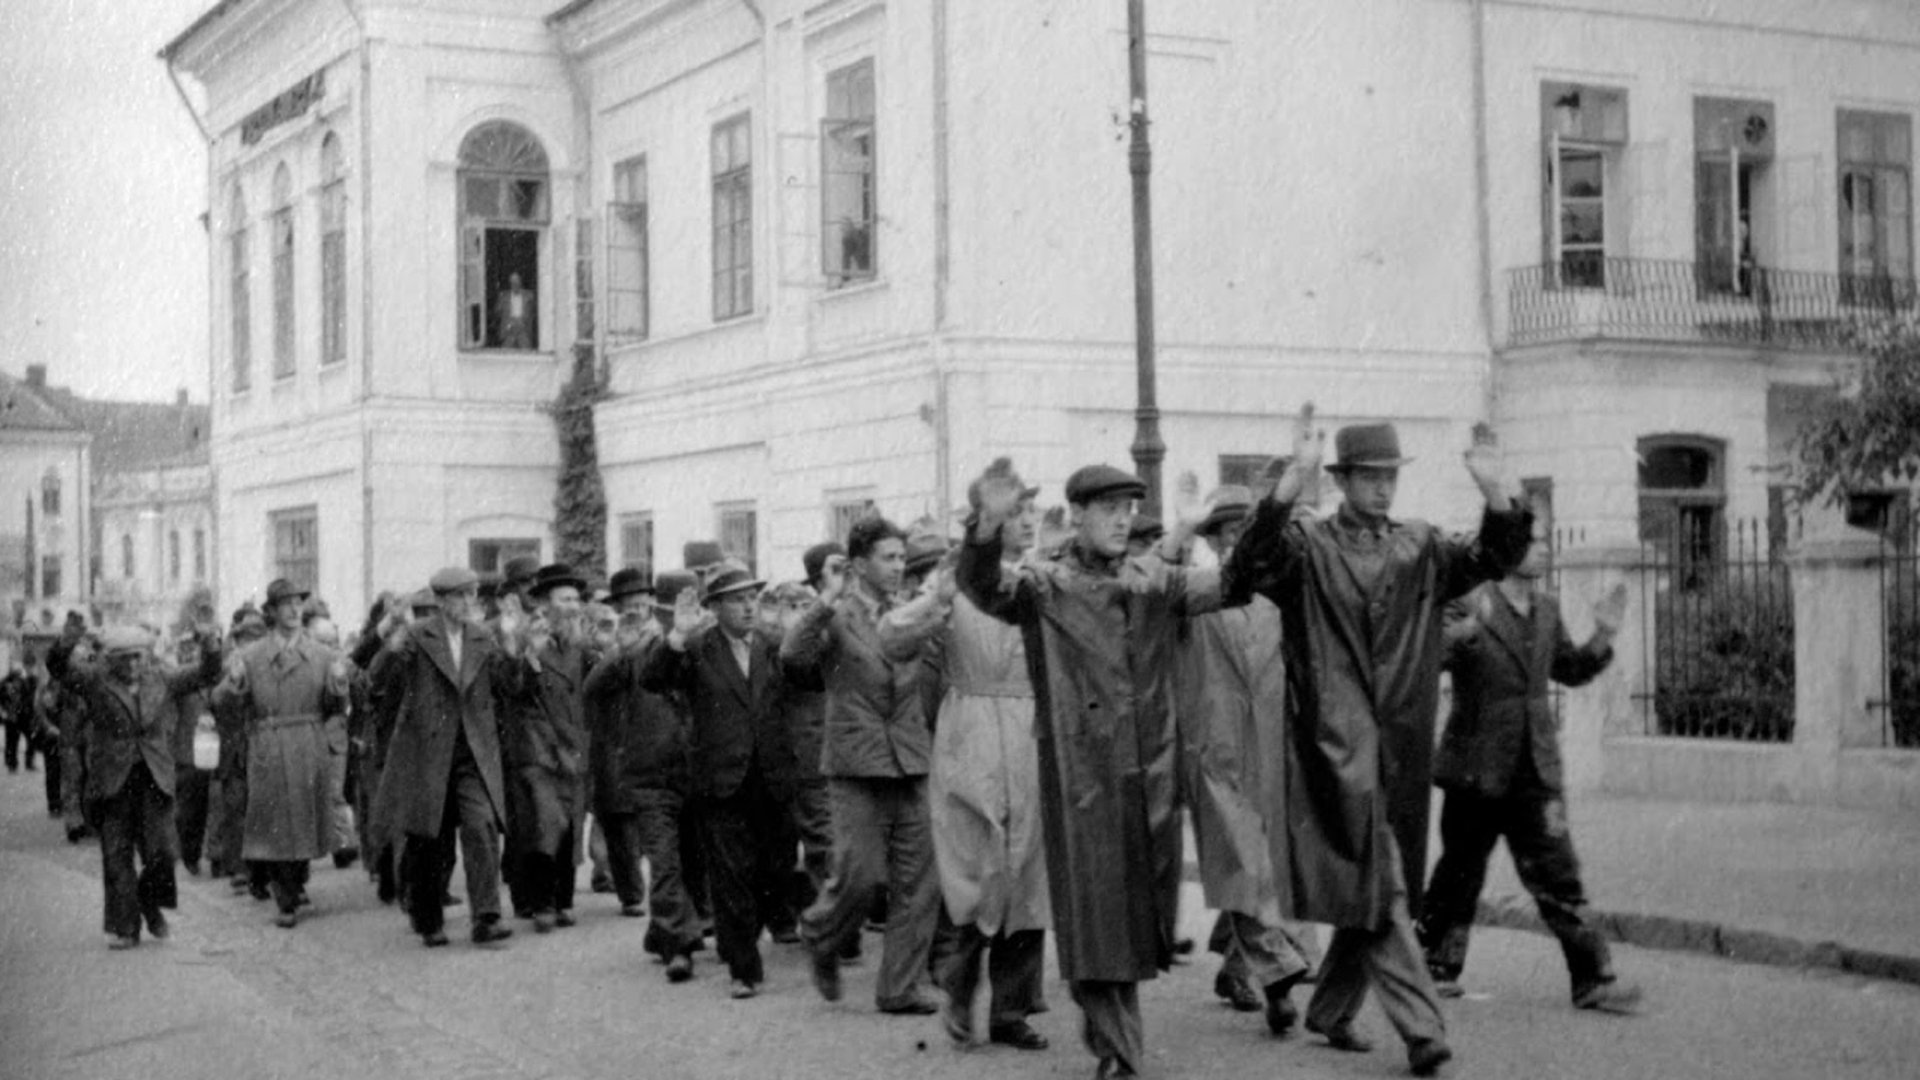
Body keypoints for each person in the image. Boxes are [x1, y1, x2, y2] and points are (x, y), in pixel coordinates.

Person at [1223, 408, 1534, 1077]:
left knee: (1377, 884)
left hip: (1400, 745)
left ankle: (1332, 1008)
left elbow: (1493, 557)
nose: (1383, 488)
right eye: (1369, 476)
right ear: (1342, 479)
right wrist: (1289, 486)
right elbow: (1249, 563)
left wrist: (1494, 489)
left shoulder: (1418, 546)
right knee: (1383, 884)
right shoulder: (1310, 548)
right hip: (1332, 746)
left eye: (1390, 476)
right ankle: (1424, 1030)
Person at [957, 457, 1270, 1079]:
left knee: (1131, 922)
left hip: (1148, 774)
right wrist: (988, 524)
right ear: (1076, 514)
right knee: (1097, 917)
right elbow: (983, 586)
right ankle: (1119, 1052)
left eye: (1130, 510)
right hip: (1081, 778)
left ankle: (1106, 1029)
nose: (1123, 521)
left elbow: (1234, 582)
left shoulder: (1153, 579)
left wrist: (1276, 505)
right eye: (1109, 509)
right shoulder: (1043, 585)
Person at [1418, 525, 1641, 1014]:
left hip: (1534, 769)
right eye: (1533, 539)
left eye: (1544, 539)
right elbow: (1432, 656)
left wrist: (1603, 633)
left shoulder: (1546, 609)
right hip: (1476, 766)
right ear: (1507, 547)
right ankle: (1434, 967)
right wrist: (1460, 634)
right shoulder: (1470, 600)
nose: (1543, 548)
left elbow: (1572, 670)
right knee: (1459, 871)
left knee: (1559, 871)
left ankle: (1593, 979)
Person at [883, 466, 1051, 1051]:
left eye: (1031, 510)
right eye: (1014, 510)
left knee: (1029, 868)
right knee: (977, 865)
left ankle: (1012, 1008)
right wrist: (936, 605)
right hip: (972, 729)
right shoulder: (954, 577)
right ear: (986, 518)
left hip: (1030, 729)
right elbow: (893, 636)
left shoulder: (1042, 578)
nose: (1027, 520)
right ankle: (957, 987)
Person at [1164, 480, 1319, 1035]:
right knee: (1241, 855)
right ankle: (1278, 977)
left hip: (1271, 741)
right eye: (1227, 531)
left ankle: (1237, 967)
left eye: (1244, 531)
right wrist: (1180, 529)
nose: (1238, 541)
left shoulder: (1278, 593)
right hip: (1216, 742)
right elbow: (1156, 582)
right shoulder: (1195, 588)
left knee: (1265, 859)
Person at [784, 518, 942, 1017]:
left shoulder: (908, 613)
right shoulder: (836, 615)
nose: (899, 567)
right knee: (861, 876)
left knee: (920, 879)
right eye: (888, 558)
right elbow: (792, 656)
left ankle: (898, 987)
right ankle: (820, 935)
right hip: (856, 762)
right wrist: (824, 601)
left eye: (902, 558)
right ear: (858, 565)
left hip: (912, 756)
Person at [644, 561, 798, 999]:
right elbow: (653, 679)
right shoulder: (696, 648)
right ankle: (742, 966)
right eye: (737, 600)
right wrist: (677, 635)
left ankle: (758, 931)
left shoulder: (773, 644)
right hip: (720, 781)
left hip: (771, 776)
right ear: (714, 607)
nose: (748, 607)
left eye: (753, 598)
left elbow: (809, 678)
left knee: (774, 871)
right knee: (730, 876)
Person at [370, 567, 526, 947]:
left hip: (472, 751)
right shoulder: (420, 635)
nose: (468, 603)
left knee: (482, 825)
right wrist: (389, 643)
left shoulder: (483, 636)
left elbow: (511, 686)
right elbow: (379, 676)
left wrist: (510, 644)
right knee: (428, 838)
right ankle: (428, 919)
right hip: (428, 752)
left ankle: (486, 917)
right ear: (440, 602)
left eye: (472, 595)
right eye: (459, 596)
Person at [48, 622, 222, 948]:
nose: (132, 665)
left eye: (137, 658)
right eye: (124, 659)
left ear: (146, 656)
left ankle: (148, 902)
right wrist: (66, 643)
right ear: (110, 659)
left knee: (163, 853)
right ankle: (125, 926)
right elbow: (59, 668)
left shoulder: (162, 678)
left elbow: (207, 673)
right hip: (112, 781)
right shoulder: (96, 680)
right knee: (117, 855)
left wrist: (211, 642)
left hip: (153, 778)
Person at [587, 568, 707, 979]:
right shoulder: (638, 648)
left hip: (693, 769)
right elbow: (593, 688)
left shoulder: (705, 645)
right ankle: (678, 945)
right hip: (650, 772)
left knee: (693, 859)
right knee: (664, 860)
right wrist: (618, 653)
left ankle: (662, 930)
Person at [214, 579, 345, 928]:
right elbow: (224, 705)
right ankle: (285, 897)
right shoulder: (251, 656)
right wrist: (235, 683)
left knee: (303, 819)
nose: (293, 609)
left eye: (297, 603)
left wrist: (339, 684)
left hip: (308, 742)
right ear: (271, 612)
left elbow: (333, 707)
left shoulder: (321, 654)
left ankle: (297, 881)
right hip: (268, 744)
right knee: (276, 824)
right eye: (285, 603)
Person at [503, 563, 593, 933]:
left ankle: (564, 900)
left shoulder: (580, 642)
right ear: (544, 603)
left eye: (575, 599)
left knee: (570, 821)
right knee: (544, 822)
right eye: (565, 599)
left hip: (572, 745)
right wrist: (530, 658)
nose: (573, 606)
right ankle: (541, 902)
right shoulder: (523, 637)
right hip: (537, 747)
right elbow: (512, 689)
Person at [305, 614, 360, 869]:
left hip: (335, 738)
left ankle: (344, 845)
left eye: (332, 641)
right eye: (322, 641)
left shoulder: (342, 664)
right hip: (309, 738)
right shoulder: (304, 665)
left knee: (336, 793)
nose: (328, 646)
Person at [168, 631, 216, 876]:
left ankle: (217, 856)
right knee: (191, 810)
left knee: (216, 805)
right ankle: (190, 855)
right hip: (188, 753)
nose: (189, 653)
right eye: (184, 649)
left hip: (216, 750)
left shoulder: (213, 678)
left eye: (193, 648)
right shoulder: (179, 682)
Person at [497, 272, 534, 349]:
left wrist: (522, 321)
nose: (515, 284)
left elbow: (534, 312)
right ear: (510, 283)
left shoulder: (529, 295)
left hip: (523, 329)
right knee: (504, 355)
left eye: (517, 281)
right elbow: (498, 312)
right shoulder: (503, 296)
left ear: (520, 282)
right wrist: (510, 322)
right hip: (509, 330)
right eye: (513, 282)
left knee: (527, 354)